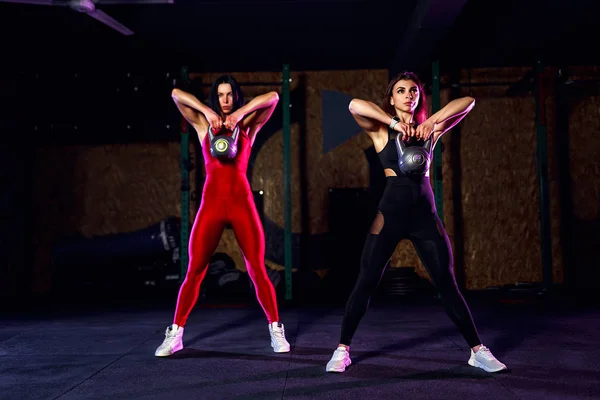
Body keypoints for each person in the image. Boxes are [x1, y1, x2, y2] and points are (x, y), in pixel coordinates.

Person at [325, 71, 507, 373]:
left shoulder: (430, 132)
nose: (409, 95)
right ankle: (342, 349)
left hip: (425, 217)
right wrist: (395, 123)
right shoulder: (382, 131)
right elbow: (355, 105)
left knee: (448, 285)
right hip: (390, 216)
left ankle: (477, 351)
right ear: (391, 98)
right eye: (401, 90)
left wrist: (427, 122)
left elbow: (468, 102)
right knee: (365, 283)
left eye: (413, 91)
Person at [155, 75, 290, 356]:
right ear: (215, 98)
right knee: (195, 270)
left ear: (236, 97)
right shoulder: (203, 126)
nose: (225, 100)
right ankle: (176, 333)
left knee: (256, 269)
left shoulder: (248, 127)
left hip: (242, 204)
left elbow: (274, 98)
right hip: (212, 205)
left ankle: (276, 329)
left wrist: (240, 115)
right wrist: (207, 111)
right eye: (220, 95)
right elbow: (176, 94)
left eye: (229, 95)